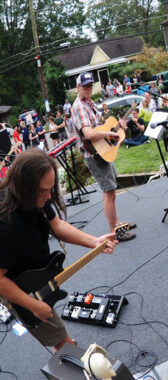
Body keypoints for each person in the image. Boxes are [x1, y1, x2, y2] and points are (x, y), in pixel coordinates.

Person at [0, 149, 117, 351]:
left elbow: (56, 225)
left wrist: (94, 242)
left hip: (38, 273)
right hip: (21, 290)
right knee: (65, 346)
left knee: (59, 339)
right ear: (24, 186)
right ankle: (65, 351)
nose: (49, 196)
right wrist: (33, 305)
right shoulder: (5, 224)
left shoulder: (36, 196)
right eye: (43, 191)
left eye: (51, 188)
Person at [71, 72, 135, 241]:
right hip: (94, 154)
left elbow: (102, 125)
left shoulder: (89, 103)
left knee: (111, 191)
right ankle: (115, 232)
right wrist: (110, 133)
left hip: (102, 152)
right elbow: (90, 133)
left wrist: (118, 127)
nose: (88, 89)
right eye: (85, 86)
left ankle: (118, 223)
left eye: (90, 85)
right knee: (109, 193)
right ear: (78, 88)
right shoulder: (79, 106)